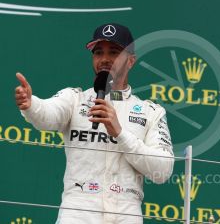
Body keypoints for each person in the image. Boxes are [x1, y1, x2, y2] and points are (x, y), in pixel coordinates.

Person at [15, 23, 174, 224]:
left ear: (131, 61)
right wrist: (31, 105)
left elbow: (163, 171)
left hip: (126, 214)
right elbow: (47, 114)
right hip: (77, 214)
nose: (105, 59)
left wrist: (120, 133)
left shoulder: (150, 112)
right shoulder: (74, 99)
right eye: (98, 53)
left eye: (114, 52)